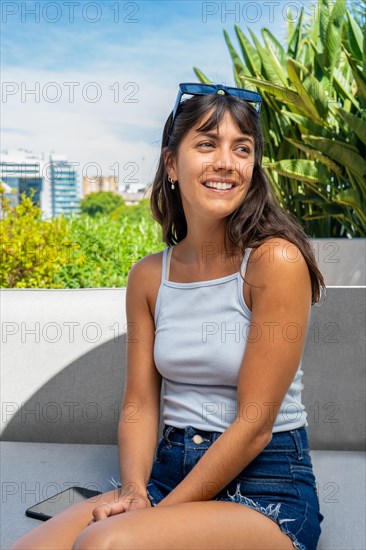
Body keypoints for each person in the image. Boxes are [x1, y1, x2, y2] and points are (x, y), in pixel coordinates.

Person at [11, 82, 326, 550]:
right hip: (168, 471)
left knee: (104, 543)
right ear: (171, 164)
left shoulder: (273, 262)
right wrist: (137, 493)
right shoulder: (148, 277)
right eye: (206, 143)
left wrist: (149, 518)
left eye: (242, 148)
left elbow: (256, 423)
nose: (226, 162)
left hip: (266, 487)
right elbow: (140, 403)